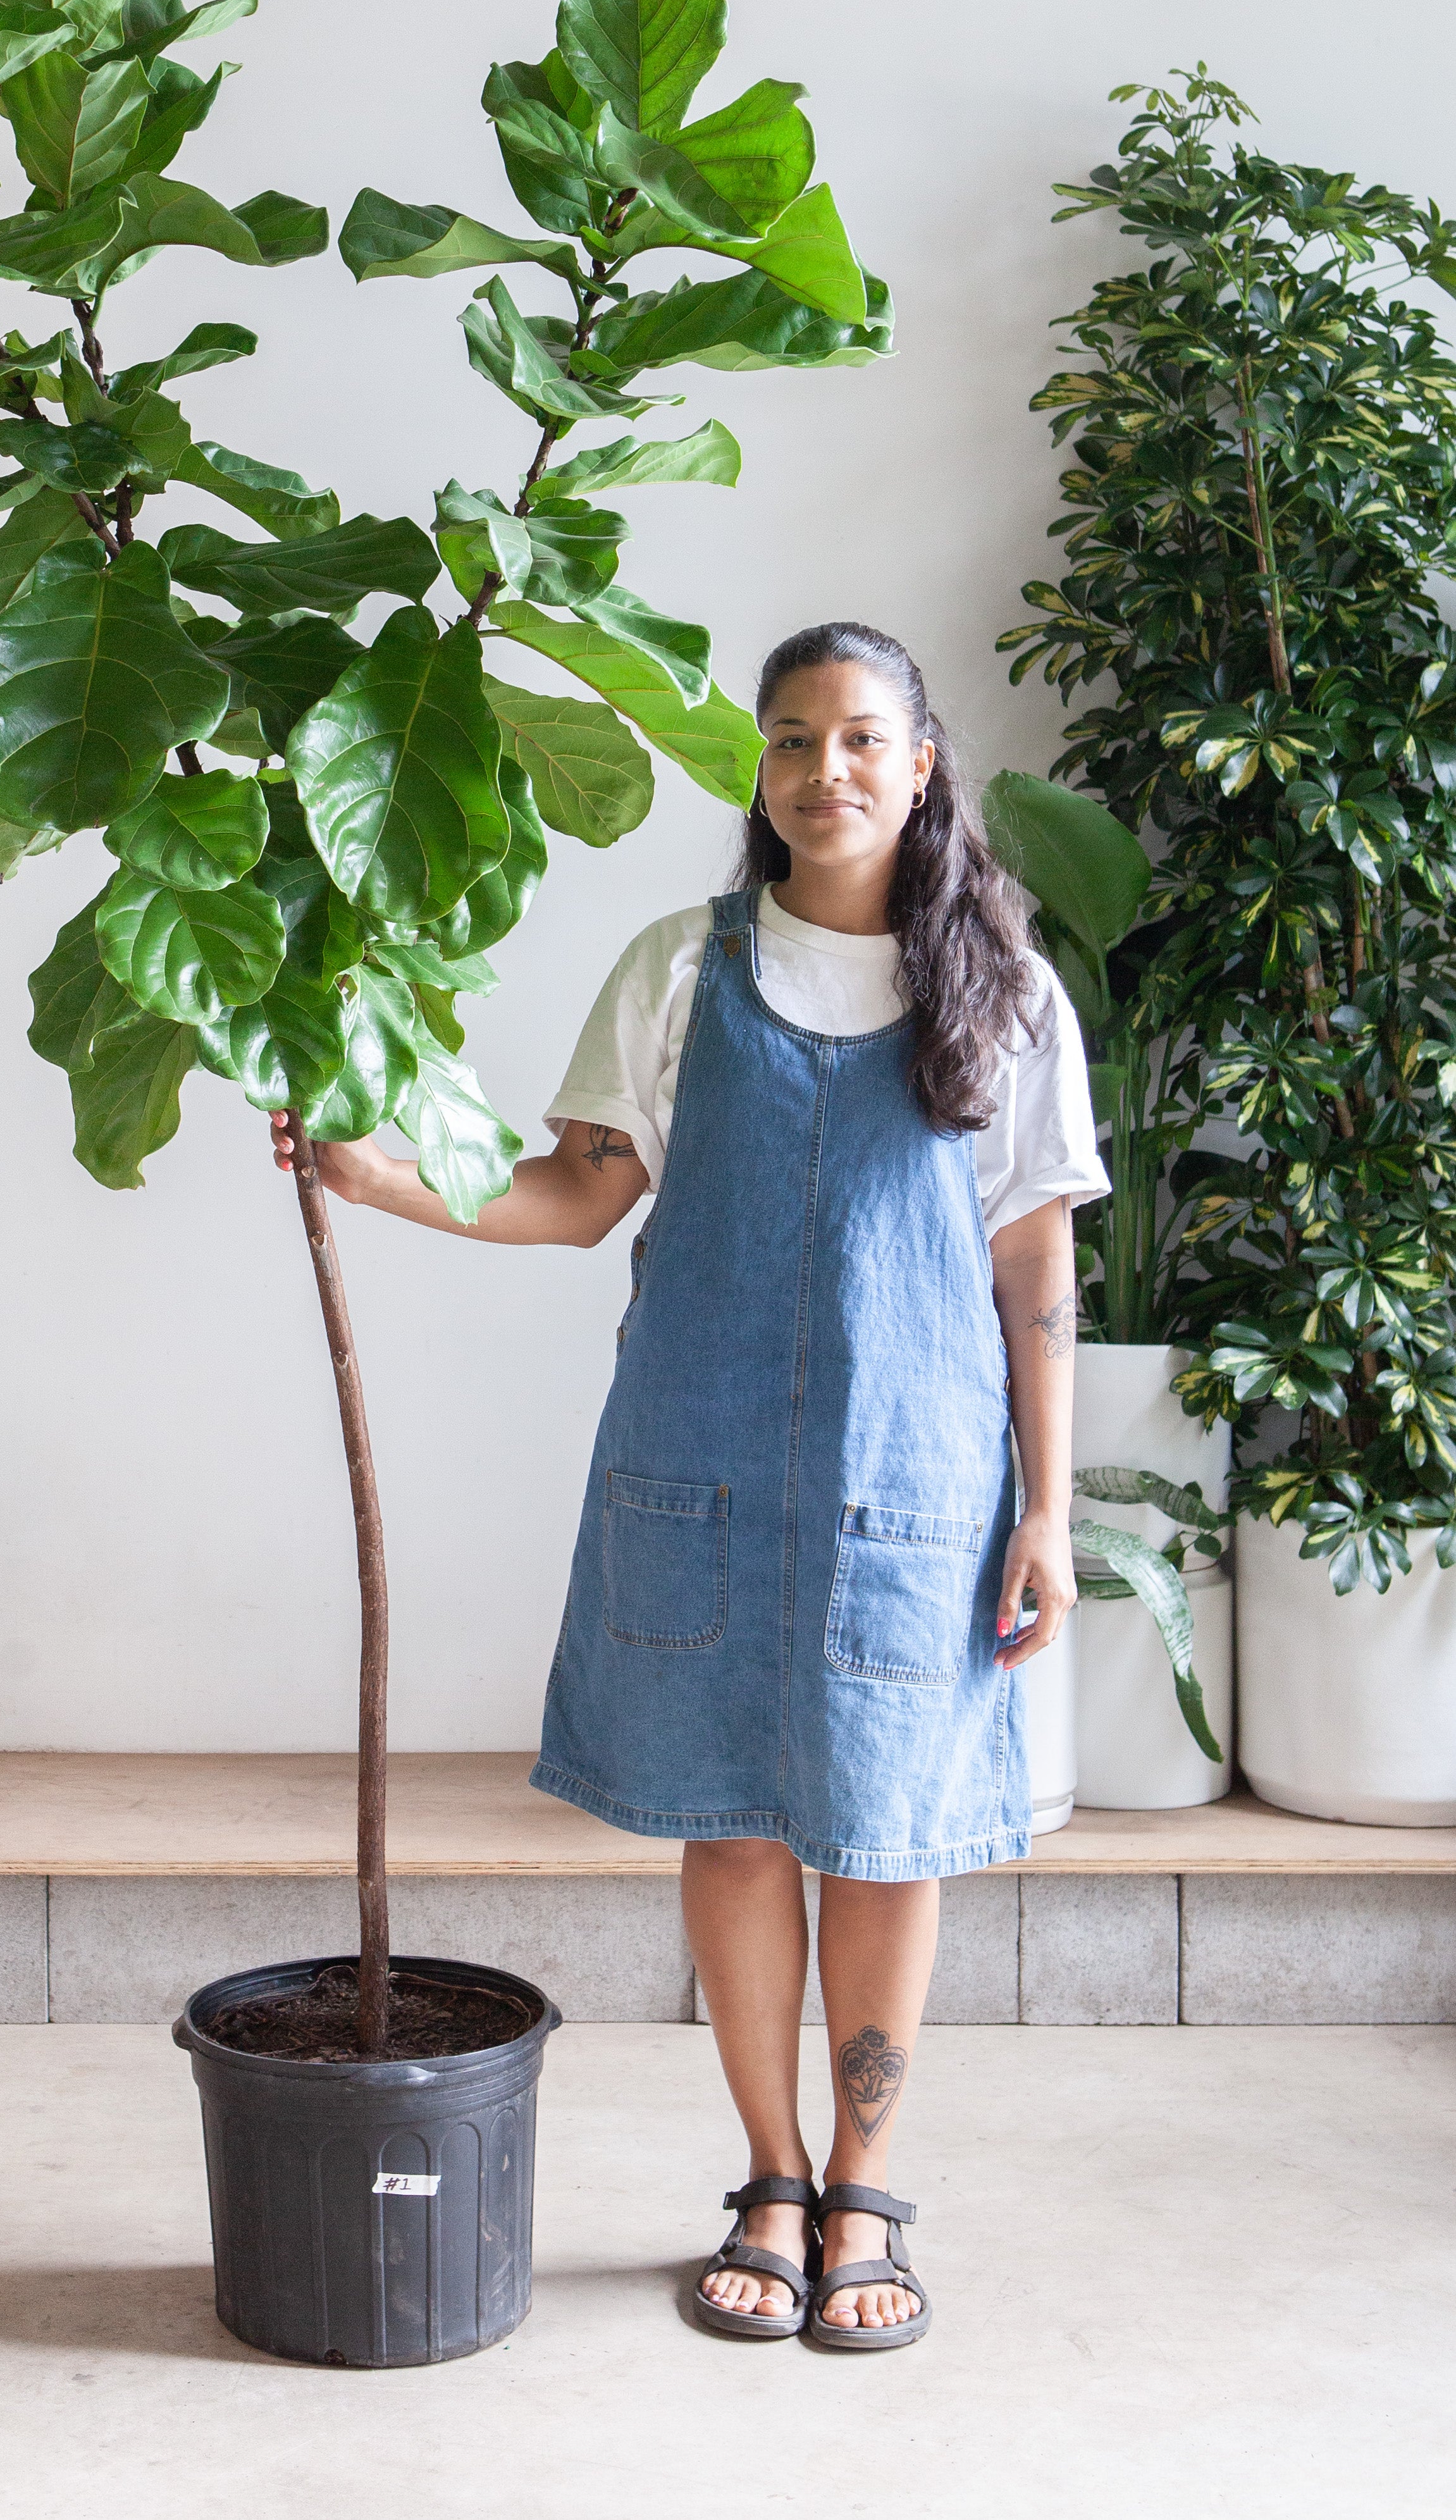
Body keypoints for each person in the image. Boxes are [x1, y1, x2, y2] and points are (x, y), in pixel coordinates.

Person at [271, 621, 1104, 2353]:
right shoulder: (684, 966)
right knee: (733, 1815)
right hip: (704, 1470)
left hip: (919, 1485)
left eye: (865, 737)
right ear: (761, 770)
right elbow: (576, 1196)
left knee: (886, 1834)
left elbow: (1037, 1262)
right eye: (793, 740)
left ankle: (868, 2186)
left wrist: (1049, 1503)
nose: (828, 771)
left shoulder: (1007, 993)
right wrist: (372, 1172)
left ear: (924, 761)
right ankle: (775, 2174)